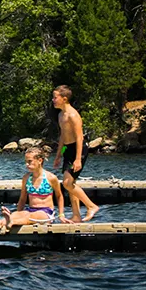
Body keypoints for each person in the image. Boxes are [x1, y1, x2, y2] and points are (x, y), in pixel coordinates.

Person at [0, 147, 69, 230]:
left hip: (45, 212)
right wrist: (18, 212)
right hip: (30, 209)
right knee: (15, 214)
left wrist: (61, 215)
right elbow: (22, 199)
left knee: (31, 216)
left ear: (40, 161)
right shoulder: (26, 178)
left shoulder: (51, 178)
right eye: (26, 162)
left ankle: (12, 221)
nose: (27, 164)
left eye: (29, 161)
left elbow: (59, 196)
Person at [52, 85, 99, 221]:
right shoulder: (61, 115)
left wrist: (78, 159)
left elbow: (79, 137)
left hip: (79, 149)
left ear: (64, 99)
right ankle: (76, 215)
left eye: (55, 98)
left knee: (67, 183)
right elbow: (63, 137)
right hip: (68, 149)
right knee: (71, 184)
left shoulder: (73, 115)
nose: (53, 100)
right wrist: (58, 155)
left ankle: (91, 206)